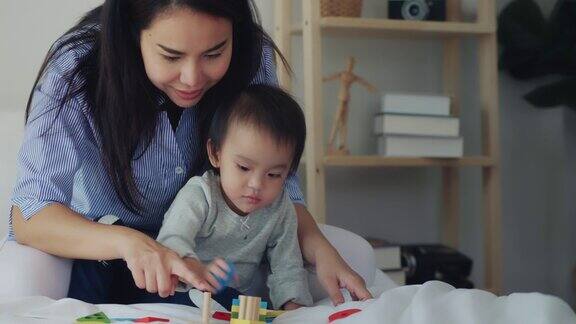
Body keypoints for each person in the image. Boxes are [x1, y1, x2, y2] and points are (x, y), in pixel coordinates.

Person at [9, 0, 371, 305]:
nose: (192, 78)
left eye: (214, 53)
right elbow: (31, 213)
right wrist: (131, 244)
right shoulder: (77, 66)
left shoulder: (251, 54)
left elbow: (278, 182)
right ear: (133, 35)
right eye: (171, 55)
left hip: (213, 247)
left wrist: (318, 247)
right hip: (109, 248)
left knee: (357, 254)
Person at [156, 84, 313, 310]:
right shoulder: (201, 194)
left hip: (235, 299)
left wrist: (294, 308)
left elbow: (287, 265)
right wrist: (192, 267)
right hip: (184, 292)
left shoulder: (280, 207)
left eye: (274, 174)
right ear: (215, 153)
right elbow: (172, 238)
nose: (256, 185)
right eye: (243, 167)